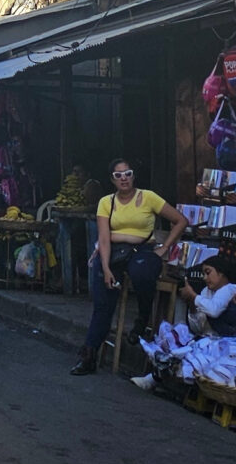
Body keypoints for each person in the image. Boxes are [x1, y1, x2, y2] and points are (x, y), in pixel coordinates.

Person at [73, 159, 188, 376]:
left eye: (127, 173)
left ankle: (141, 320)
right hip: (113, 251)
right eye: (118, 175)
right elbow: (104, 239)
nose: (123, 178)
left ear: (133, 176)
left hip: (142, 250)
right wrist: (106, 267)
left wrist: (164, 248)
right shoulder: (106, 202)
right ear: (112, 180)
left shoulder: (148, 197)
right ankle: (89, 355)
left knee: (143, 273)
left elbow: (181, 220)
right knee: (103, 301)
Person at [189, 259, 236, 339]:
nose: (205, 278)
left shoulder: (230, 288)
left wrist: (193, 296)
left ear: (221, 273)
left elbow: (213, 311)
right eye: (203, 274)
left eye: (208, 273)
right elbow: (198, 324)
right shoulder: (206, 291)